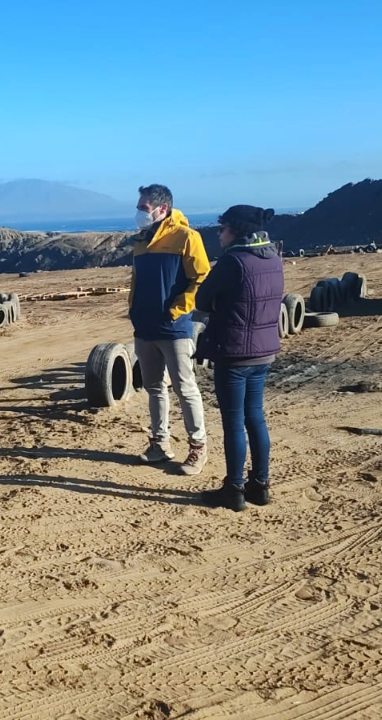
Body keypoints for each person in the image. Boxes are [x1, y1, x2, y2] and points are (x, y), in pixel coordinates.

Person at [195, 205, 284, 511]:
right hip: (264, 351)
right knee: (255, 417)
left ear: (235, 230)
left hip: (234, 353)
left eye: (222, 228)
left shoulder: (233, 261)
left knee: (233, 422)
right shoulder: (273, 257)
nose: (219, 234)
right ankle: (260, 485)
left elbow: (202, 299)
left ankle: (233, 489)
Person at [126, 184, 211, 474]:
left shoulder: (186, 237)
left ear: (162, 208)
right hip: (144, 327)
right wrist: (134, 311)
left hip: (174, 328)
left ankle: (198, 447)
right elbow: (136, 280)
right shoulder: (141, 241)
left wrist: (177, 310)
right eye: (138, 207)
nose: (139, 212)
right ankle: (160, 444)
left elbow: (201, 278)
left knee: (185, 388)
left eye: (144, 207)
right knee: (154, 388)